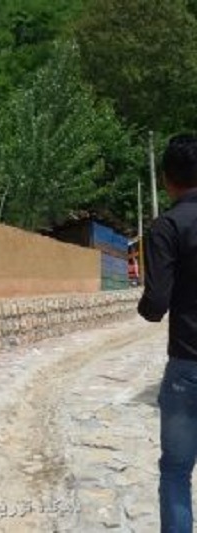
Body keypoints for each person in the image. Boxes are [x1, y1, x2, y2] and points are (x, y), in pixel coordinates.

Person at [138, 134, 197, 533]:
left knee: (176, 471)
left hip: (187, 366)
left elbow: (155, 305)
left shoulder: (167, 227)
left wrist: (145, 306)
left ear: (165, 179)